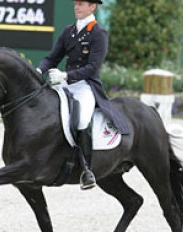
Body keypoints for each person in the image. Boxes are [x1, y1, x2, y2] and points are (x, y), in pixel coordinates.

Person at [37, 0, 129, 190]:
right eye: (75, 4)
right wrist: (38, 71)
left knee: (81, 121)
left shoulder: (98, 33)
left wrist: (66, 74)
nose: (76, 7)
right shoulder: (69, 31)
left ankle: (87, 170)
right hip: (66, 84)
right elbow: (53, 57)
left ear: (92, 7)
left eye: (81, 4)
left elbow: (92, 67)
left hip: (86, 86)